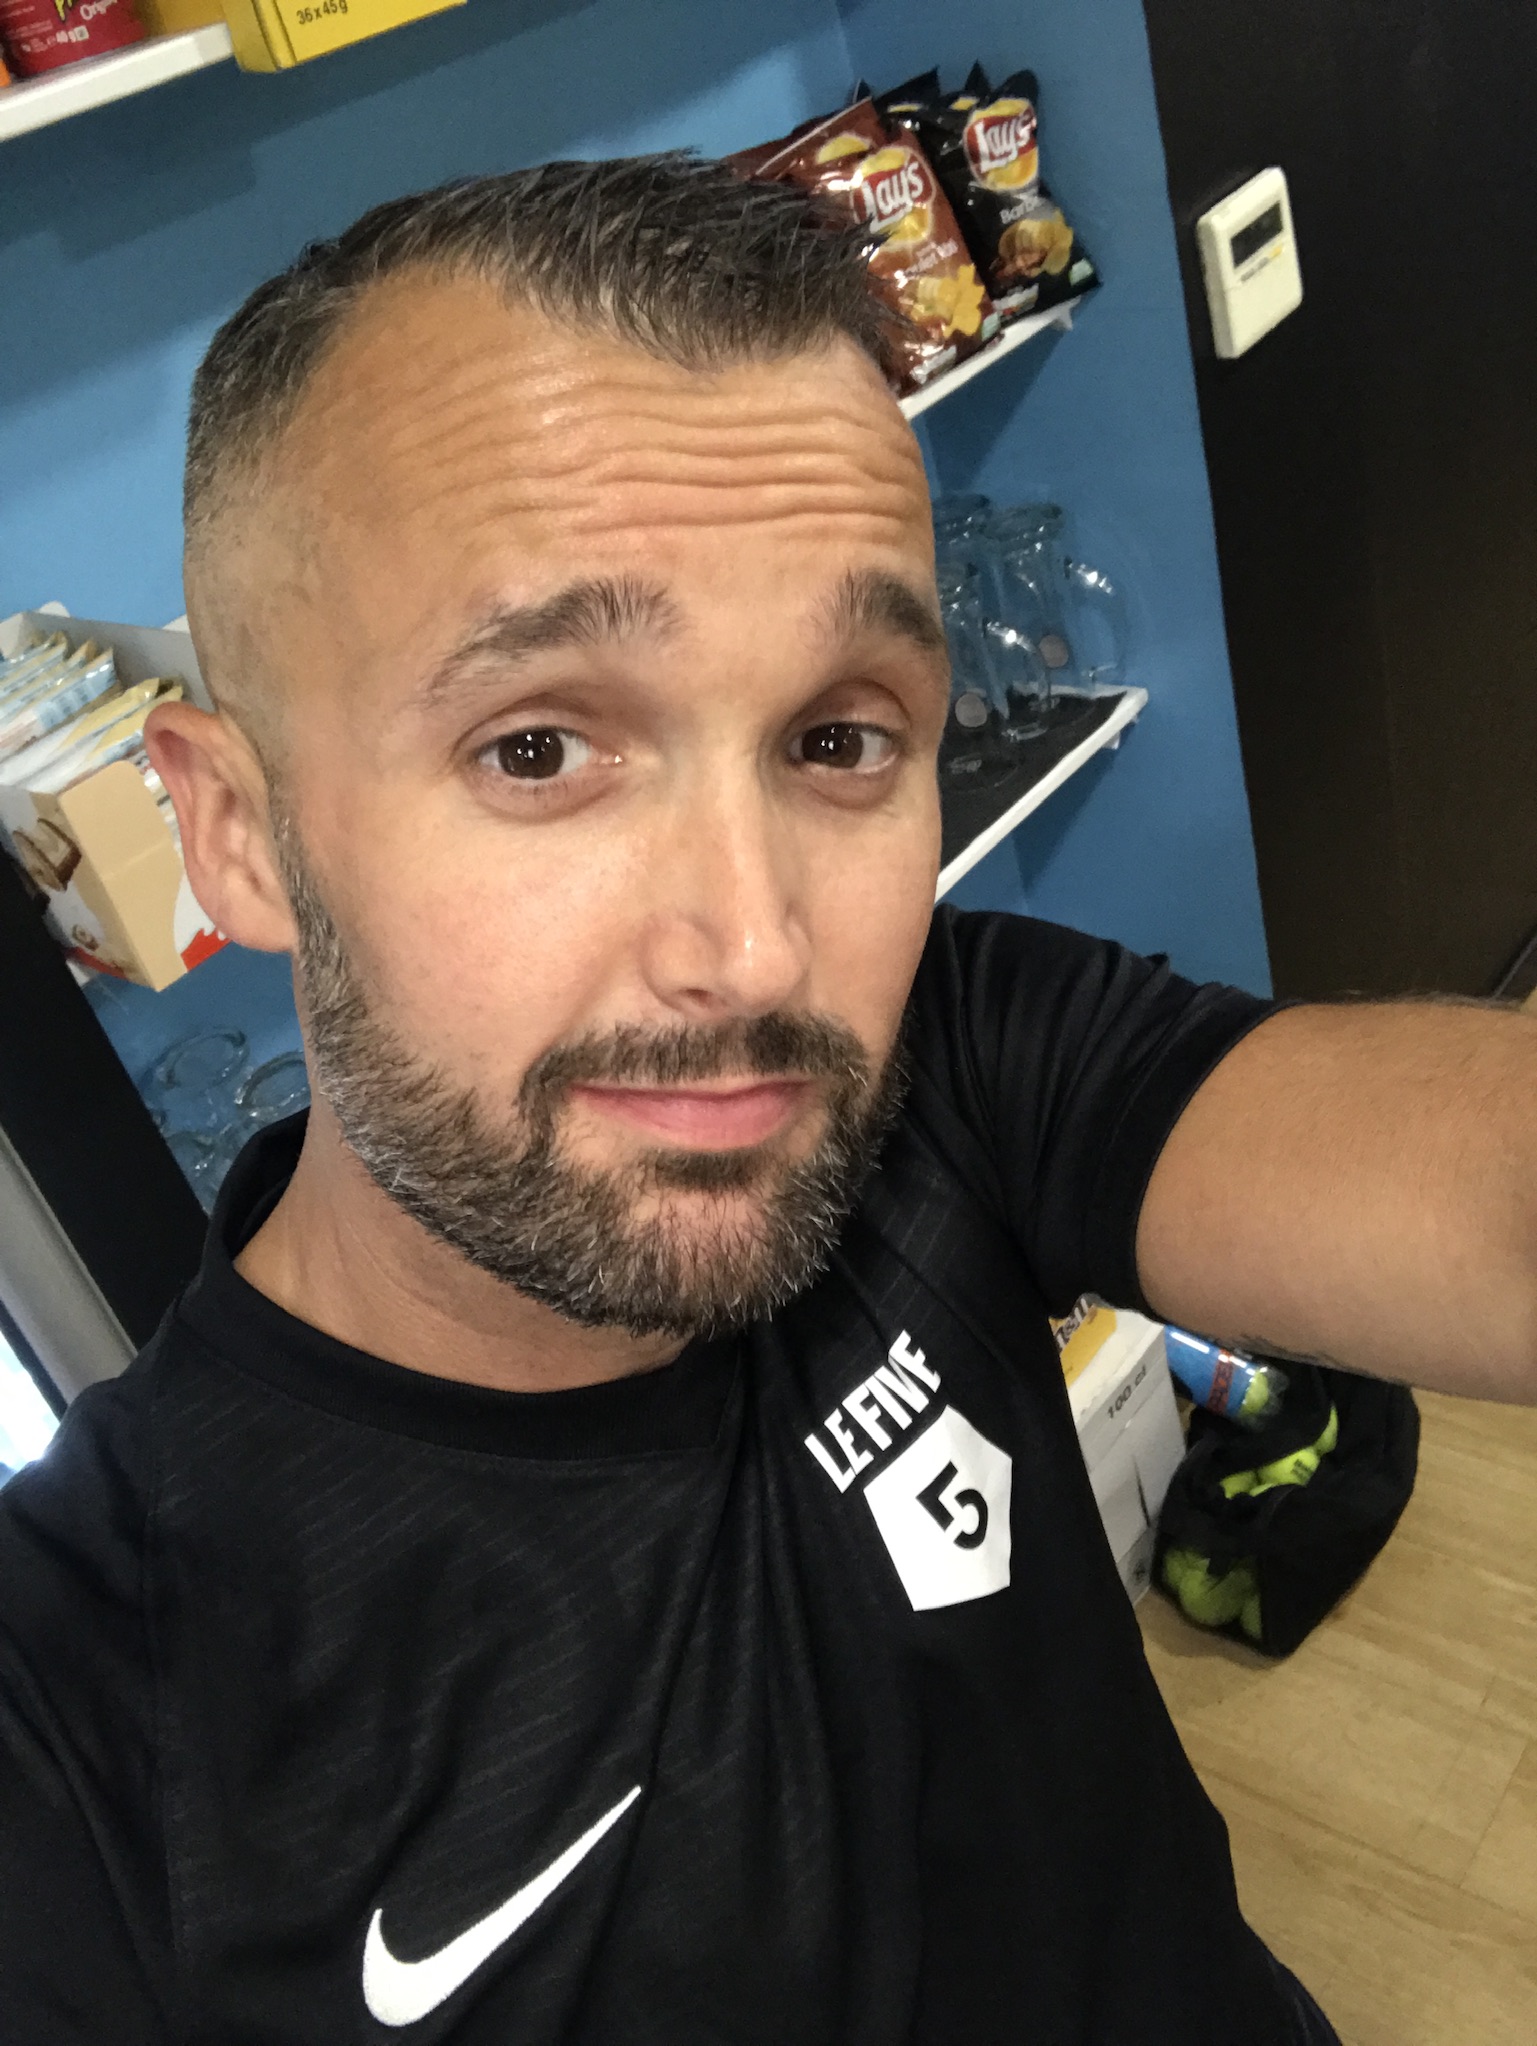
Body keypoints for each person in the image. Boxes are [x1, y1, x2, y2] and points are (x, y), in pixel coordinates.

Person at [1, 156, 1533, 2046]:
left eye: (836, 737)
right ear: (236, 830)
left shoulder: (950, 1060)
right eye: (538, 747)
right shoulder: (89, 1710)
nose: (751, 950)